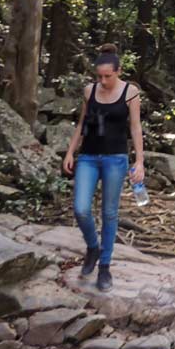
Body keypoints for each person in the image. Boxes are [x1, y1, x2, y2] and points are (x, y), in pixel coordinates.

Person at [63, 43, 145, 291]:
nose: (103, 80)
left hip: (115, 158)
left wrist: (139, 161)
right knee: (80, 209)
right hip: (88, 157)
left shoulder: (130, 93)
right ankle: (92, 247)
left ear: (118, 71)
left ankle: (105, 267)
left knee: (110, 214)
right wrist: (70, 152)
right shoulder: (90, 91)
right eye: (99, 76)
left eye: (108, 76)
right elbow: (82, 124)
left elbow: (135, 127)